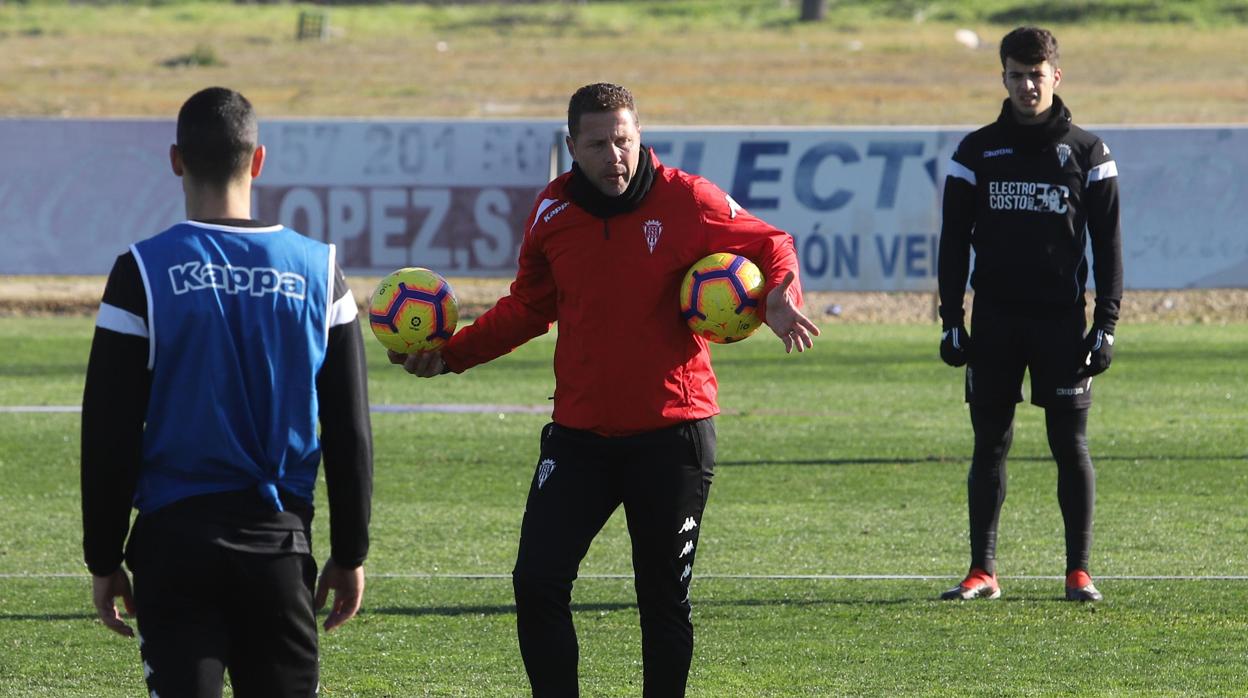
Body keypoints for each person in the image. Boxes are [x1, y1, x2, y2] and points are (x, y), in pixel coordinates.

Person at [390, 82, 820, 696]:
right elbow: (527, 308)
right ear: (571, 146)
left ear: (639, 136)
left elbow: (773, 242)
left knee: (661, 599)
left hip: (673, 436)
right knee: (536, 581)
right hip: (580, 439)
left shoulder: (688, 199)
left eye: (624, 140)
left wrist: (782, 293)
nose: (614, 156)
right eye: (598, 144)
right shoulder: (551, 213)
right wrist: (450, 356)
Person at [81, 86, 374, 697]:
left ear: (176, 160)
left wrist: (104, 559)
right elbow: (348, 430)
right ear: (259, 160)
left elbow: (108, 431)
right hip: (278, 544)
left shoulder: (140, 271)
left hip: (174, 547)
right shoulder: (320, 271)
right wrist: (350, 551)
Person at [937, 27, 1123, 602]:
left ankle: (1078, 572)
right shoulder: (975, 151)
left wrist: (1107, 324)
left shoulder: (1089, 153)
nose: (1026, 85)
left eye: (1036, 75)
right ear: (1004, 78)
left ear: (1056, 76)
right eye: (1016, 75)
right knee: (989, 444)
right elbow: (952, 243)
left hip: (1061, 323)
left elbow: (1109, 245)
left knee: (1070, 445)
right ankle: (982, 571)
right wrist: (951, 317)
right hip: (994, 321)